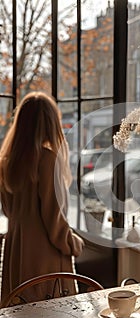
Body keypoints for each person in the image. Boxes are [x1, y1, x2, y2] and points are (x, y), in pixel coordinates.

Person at [0, 91, 84, 304]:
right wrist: (72, 242)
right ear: (50, 122)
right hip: (43, 256)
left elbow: (8, 211)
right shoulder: (47, 159)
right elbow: (53, 218)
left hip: (17, 251)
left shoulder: (8, 162)